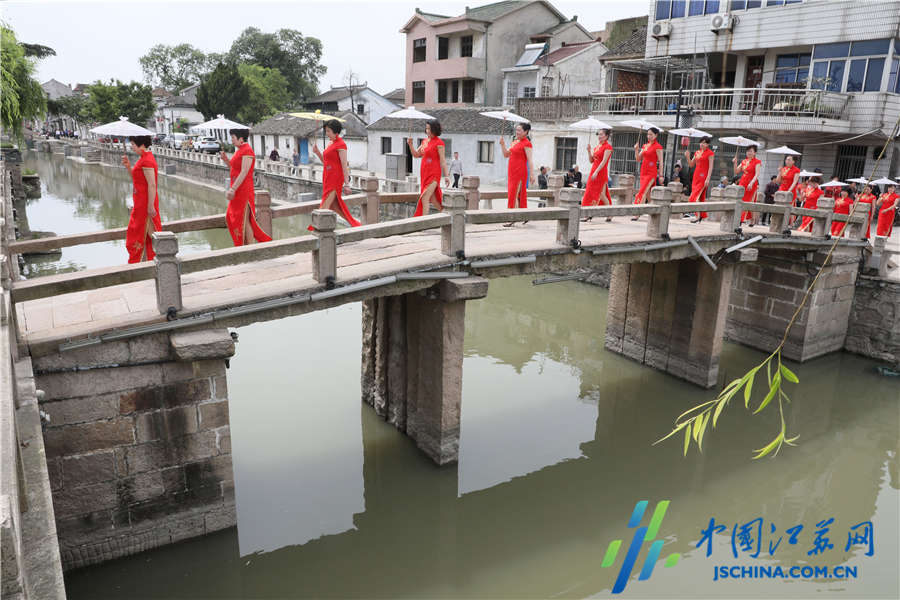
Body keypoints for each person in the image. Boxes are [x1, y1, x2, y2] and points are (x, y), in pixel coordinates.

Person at [219, 128, 272, 246]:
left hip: (243, 189)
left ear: (241, 138)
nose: (231, 140)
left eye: (233, 137)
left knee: (245, 219)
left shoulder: (247, 151)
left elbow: (244, 172)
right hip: (237, 188)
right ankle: (244, 246)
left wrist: (232, 189)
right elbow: (234, 170)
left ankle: (249, 248)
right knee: (233, 216)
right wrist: (226, 159)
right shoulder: (238, 150)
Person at [310, 119, 361, 231]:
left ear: (335, 131)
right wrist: (318, 152)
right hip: (327, 177)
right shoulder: (330, 144)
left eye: (329, 131)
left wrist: (346, 185)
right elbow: (326, 162)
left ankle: (315, 230)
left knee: (324, 206)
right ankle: (357, 226)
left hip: (335, 179)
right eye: (326, 131)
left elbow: (344, 166)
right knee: (335, 206)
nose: (326, 133)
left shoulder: (341, 144)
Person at [121, 135, 162, 263]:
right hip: (140, 203)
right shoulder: (143, 158)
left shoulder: (147, 160)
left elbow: (152, 184)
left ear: (141, 144)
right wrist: (128, 166)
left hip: (145, 204)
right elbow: (137, 180)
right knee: (140, 234)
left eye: (133, 144)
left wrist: (150, 207)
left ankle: (165, 263)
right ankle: (149, 262)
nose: (131, 147)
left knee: (154, 237)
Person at [408, 119, 449, 218]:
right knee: (433, 200)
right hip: (424, 173)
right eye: (426, 129)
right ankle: (449, 216)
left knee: (424, 198)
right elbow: (416, 154)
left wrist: (447, 176)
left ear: (435, 129)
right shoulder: (424, 141)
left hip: (434, 173)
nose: (427, 131)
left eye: (429, 129)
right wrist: (410, 144)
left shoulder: (440, 143)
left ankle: (423, 223)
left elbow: (443, 160)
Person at [499, 122, 536, 227]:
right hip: (511, 171)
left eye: (519, 130)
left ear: (525, 132)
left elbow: (530, 160)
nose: (517, 131)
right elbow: (506, 155)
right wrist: (503, 145)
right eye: (516, 129)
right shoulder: (514, 142)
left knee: (513, 193)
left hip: (520, 172)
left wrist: (532, 175)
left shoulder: (527, 144)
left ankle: (511, 218)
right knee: (516, 194)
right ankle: (524, 215)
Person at [581, 128, 614, 222]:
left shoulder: (608, 147)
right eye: (598, 134)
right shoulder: (596, 147)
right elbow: (592, 161)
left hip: (600, 173)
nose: (599, 136)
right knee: (589, 192)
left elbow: (604, 161)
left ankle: (608, 213)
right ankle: (588, 213)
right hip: (593, 172)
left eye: (601, 134)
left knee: (602, 195)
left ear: (606, 136)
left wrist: (597, 172)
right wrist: (589, 151)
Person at [632, 127, 664, 221]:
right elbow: (638, 159)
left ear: (656, 135)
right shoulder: (644, 146)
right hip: (643, 171)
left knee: (642, 191)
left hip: (651, 173)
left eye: (651, 134)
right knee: (647, 193)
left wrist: (661, 175)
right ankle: (655, 211)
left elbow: (661, 162)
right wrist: (636, 150)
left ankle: (637, 212)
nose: (649, 136)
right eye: (648, 134)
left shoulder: (658, 147)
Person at [685, 136, 715, 223]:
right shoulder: (697, 152)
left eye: (704, 142)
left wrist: (708, 178)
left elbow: (710, 167)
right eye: (701, 142)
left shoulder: (710, 153)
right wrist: (687, 157)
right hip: (696, 177)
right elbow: (691, 164)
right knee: (699, 197)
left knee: (693, 197)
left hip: (703, 177)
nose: (702, 144)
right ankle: (700, 215)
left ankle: (697, 216)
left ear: (708, 144)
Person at [734, 144, 761, 226]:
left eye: (750, 151)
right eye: (747, 151)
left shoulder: (757, 162)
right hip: (742, 183)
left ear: (755, 152)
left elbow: (757, 174)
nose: (748, 153)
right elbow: (737, 171)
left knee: (748, 201)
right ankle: (750, 220)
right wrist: (735, 163)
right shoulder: (743, 161)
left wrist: (752, 183)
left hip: (751, 184)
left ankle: (741, 219)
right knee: (745, 201)